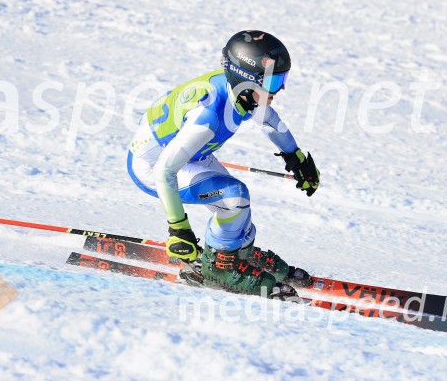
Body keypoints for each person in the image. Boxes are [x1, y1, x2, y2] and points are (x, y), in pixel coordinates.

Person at [127, 30, 320, 300]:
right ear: (246, 79)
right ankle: (218, 268)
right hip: (153, 166)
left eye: (281, 79)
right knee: (233, 197)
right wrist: (178, 229)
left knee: (236, 207)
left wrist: (296, 158)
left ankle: (236, 254)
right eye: (274, 82)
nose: (279, 90)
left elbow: (270, 122)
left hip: (190, 156)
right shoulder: (207, 118)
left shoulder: (243, 92)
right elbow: (164, 171)